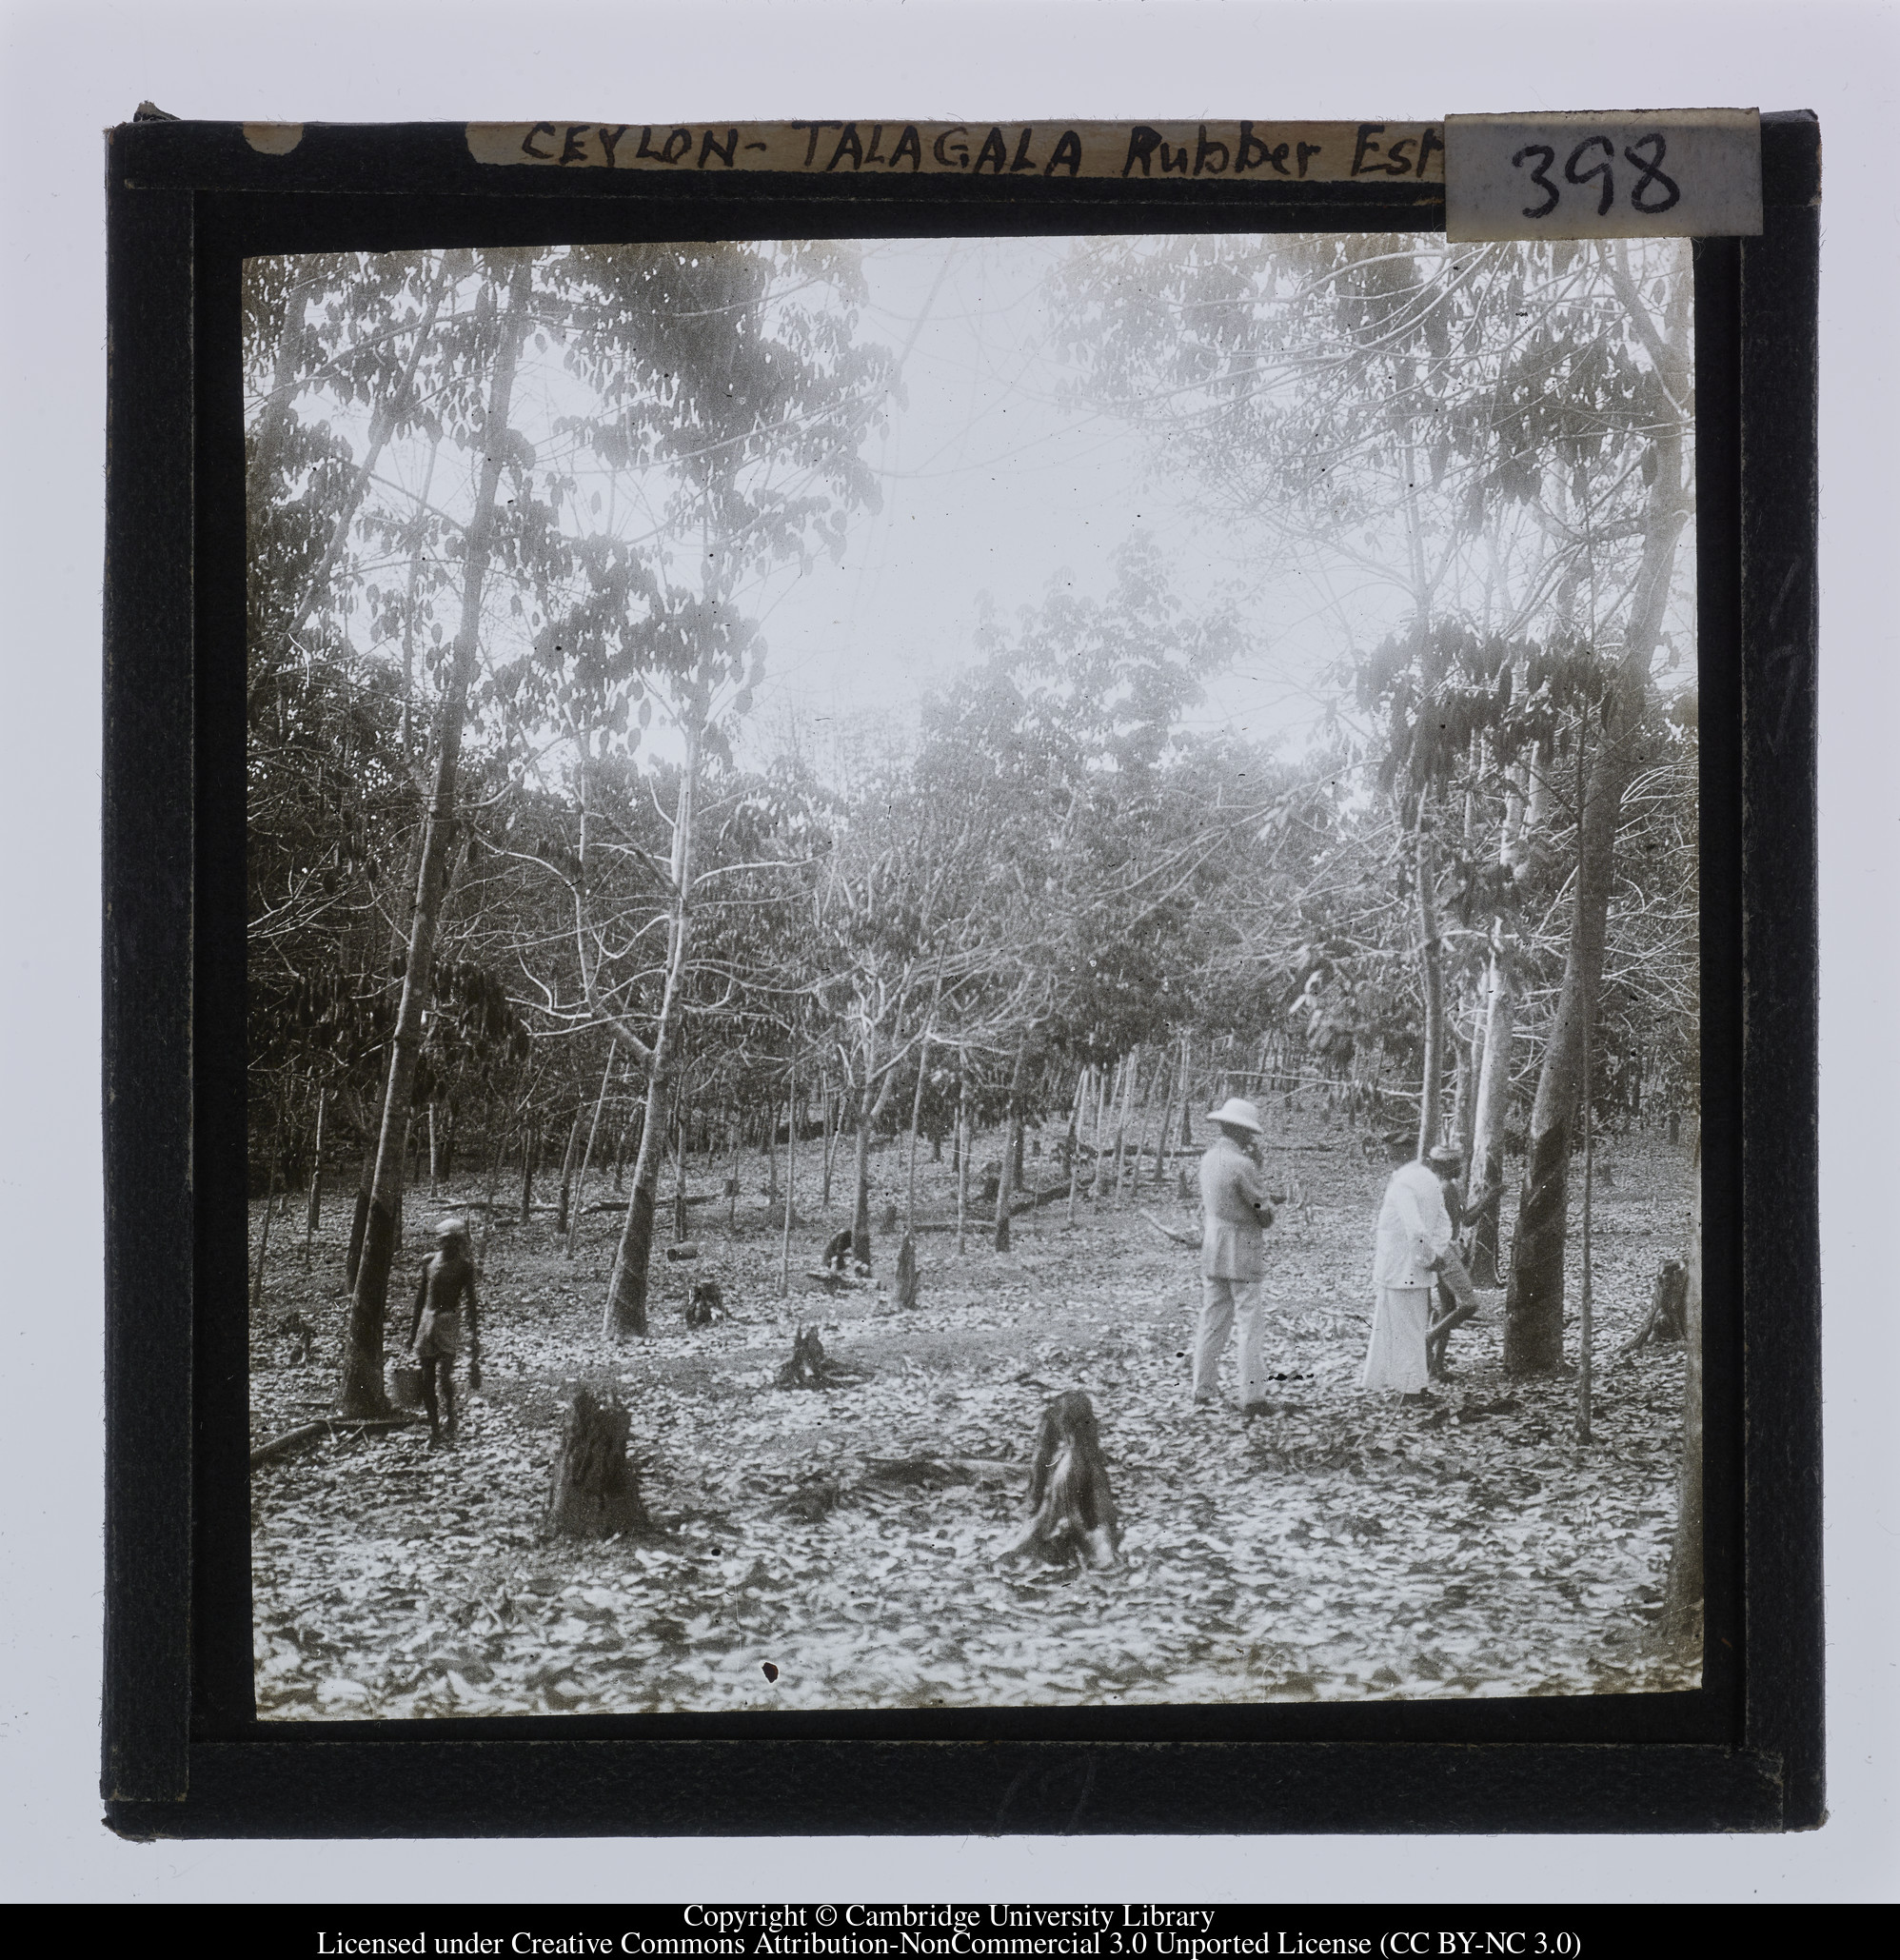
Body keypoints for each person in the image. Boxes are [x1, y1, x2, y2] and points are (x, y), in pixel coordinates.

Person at [1194, 1097, 1276, 1412]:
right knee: (1249, 1325)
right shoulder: (1243, 1165)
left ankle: (1203, 1389)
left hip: (1213, 1247)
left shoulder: (1208, 1159)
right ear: (1242, 1133)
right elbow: (1263, 1214)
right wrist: (1266, 1197)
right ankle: (1252, 1396)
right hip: (1242, 1250)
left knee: (1212, 1321)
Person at [1361, 1134, 1451, 1400]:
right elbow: (1444, 1224)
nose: (1388, 1157)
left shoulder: (1404, 1184)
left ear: (1399, 1154)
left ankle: (1412, 1389)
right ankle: (1396, 1382)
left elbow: (1416, 1230)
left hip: (1402, 1269)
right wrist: (1436, 1254)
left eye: (1391, 1152)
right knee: (1400, 1328)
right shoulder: (1428, 1178)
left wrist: (1429, 1257)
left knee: (1406, 1331)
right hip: (1406, 1268)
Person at [407, 1216, 482, 1448]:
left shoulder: (464, 1267)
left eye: (450, 1239)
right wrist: (412, 1333)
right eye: (441, 1238)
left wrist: (474, 1335)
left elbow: (470, 1302)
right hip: (427, 1323)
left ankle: (450, 1414)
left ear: (458, 1241)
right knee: (427, 1379)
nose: (444, 1242)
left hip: (449, 1323)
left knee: (444, 1377)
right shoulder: (429, 1261)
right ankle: (434, 1429)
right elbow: (421, 1298)